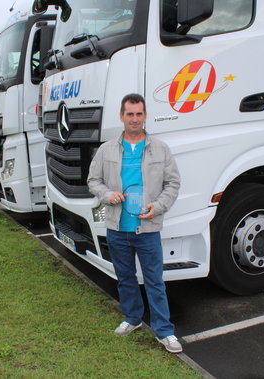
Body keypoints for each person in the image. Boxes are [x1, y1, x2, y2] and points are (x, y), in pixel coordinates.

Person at [87, 93, 182, 353]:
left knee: (154, 281)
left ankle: (164, 331)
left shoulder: (160, 148)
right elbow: (93, 181)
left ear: (145, 116)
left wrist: (158, 206)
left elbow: (172, 183)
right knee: (126, 278)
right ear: (121, 116)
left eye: (139, 114)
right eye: (130, 114)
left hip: (148, 229)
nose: (135, 119)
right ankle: (132, 318)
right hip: (118, 227)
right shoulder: (107, 149)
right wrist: (108, 195)